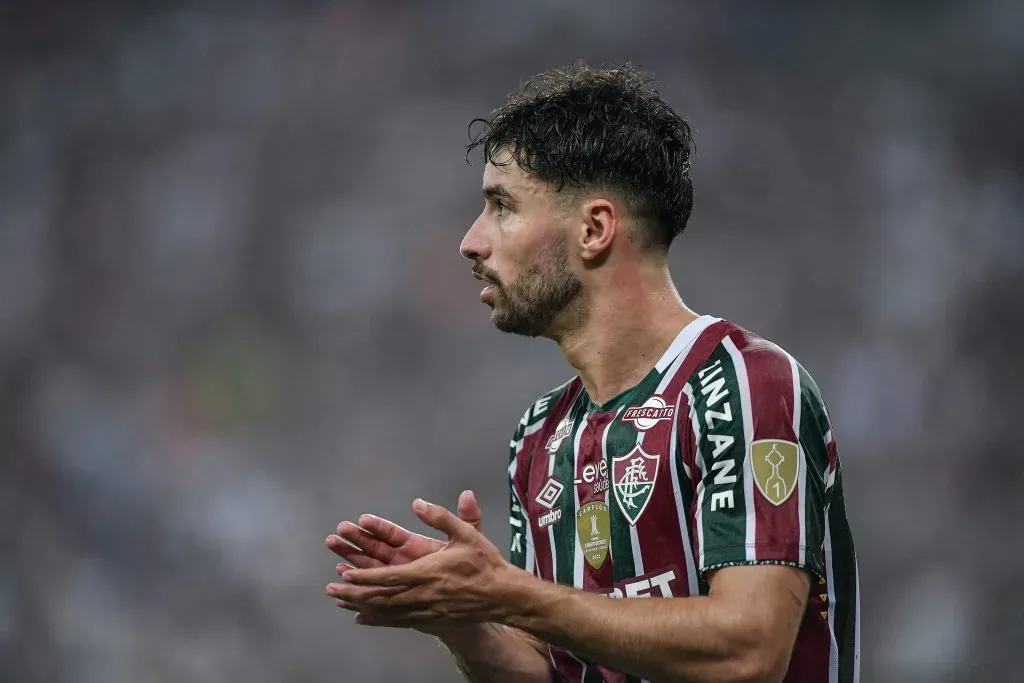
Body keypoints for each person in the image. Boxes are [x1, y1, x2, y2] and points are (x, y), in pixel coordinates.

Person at [325, 63, 860, 683]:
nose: (470, 242)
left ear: (594, 229)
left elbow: (748, 652)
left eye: (501, 205)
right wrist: (464, 615)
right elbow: (552, 670)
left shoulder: (743, 384)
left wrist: (507, 595)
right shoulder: (540, 436)